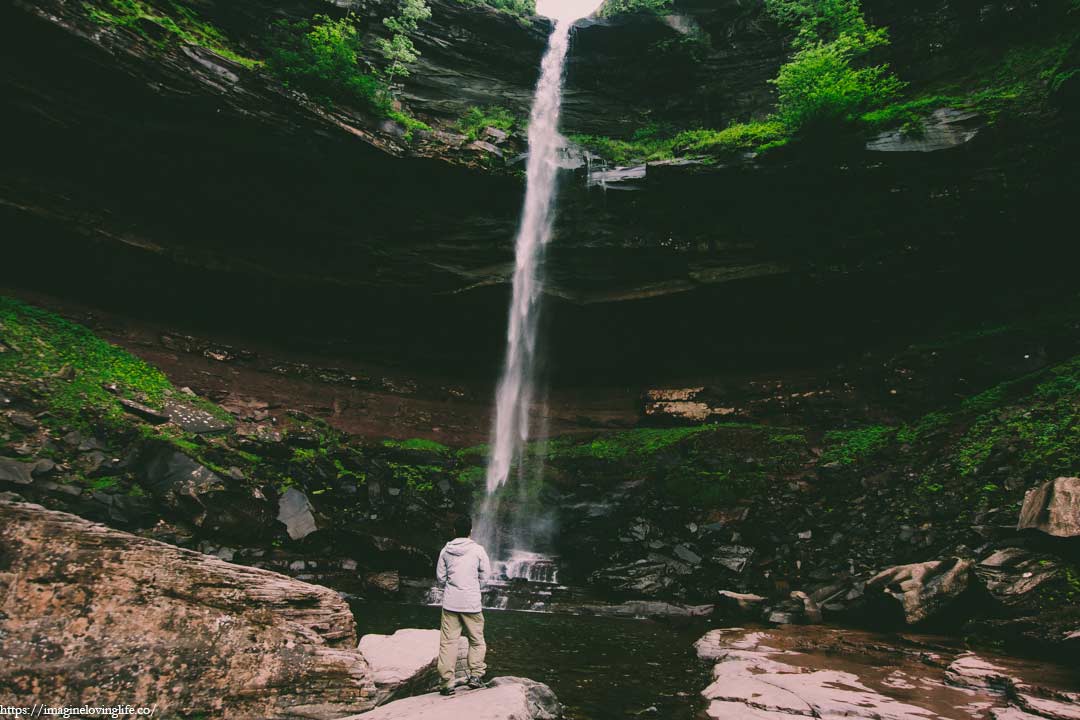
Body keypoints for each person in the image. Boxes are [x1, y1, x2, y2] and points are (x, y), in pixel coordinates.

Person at [435, 515, 491, 695]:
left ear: (453, 531)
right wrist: (474, 587)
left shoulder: (445, 550)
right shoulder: (478, 550)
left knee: (448, 643)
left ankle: (446, 684)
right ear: (470, 531)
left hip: (451, 603)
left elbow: (441, 578)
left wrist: (453, 586)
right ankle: (476, 676)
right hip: (472, 603)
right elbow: (486, 576)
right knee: (477, 640)